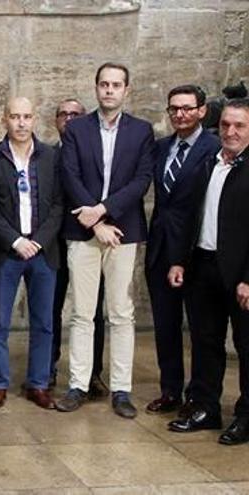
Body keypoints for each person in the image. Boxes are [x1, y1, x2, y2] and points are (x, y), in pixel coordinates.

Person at [56, 62, 154, 419]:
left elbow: (142, 180)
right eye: (104, 84)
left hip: (123, 232)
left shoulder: (141, 131)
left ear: (126, 89)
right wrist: (95, 222)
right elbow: (69, 175)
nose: (109, 90)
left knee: (121, 314)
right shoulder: (76, 129)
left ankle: (121, 390)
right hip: (84, 232)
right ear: (96, 88)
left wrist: (102, 210)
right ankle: (78, 385)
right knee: (82, 314)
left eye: (116, 85)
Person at [167, 98, 249, 445]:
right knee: (204, 341)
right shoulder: (209, 163)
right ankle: (205, 407)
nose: (230, 132)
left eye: (239, 126)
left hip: (241, 274)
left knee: (247, 346)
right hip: (202, 265)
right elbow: (192, 215)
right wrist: (180, 260)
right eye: (225, 125)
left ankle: (246, 416)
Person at [0, 97, 62, 410]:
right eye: (14, 116)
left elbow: (59, 204)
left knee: (44, 322)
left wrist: (39, 241)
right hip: (6, 252)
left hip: (43, 251)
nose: (20, 123)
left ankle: (38, 383)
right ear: (4, 119)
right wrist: (16, 240)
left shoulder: (51, 157)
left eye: (26, 116)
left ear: (35, 120)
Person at [145, 85, 218, 414]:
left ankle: (199, 396)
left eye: (188, 108)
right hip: (161, 248)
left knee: (203, 331)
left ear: (202, 111)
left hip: (195, 252)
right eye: (174, 108)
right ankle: (170, 389)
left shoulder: (215, 148)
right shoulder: (160, 148)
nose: (180, 114)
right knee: (165, 326)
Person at [49, 98, 107, 394]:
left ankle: (93, 374)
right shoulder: (47, 155)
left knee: (92, 309)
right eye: (63, 114)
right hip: (54, 243)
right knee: (51, 308)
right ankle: (48, 369)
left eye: (75, 114)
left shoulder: (93, 155)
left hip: (89, 239)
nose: (69, 119)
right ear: (55, 120)